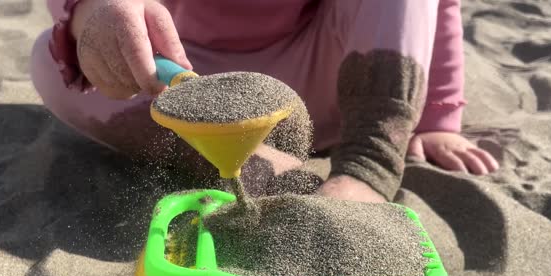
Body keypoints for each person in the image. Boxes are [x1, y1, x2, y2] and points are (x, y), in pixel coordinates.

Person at [31, 0, 499, 203]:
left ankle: (368, 167)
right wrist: (93, 13)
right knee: (50, 62)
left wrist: (438, 112)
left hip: (330, 73)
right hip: (184, 79)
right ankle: (256, 166)